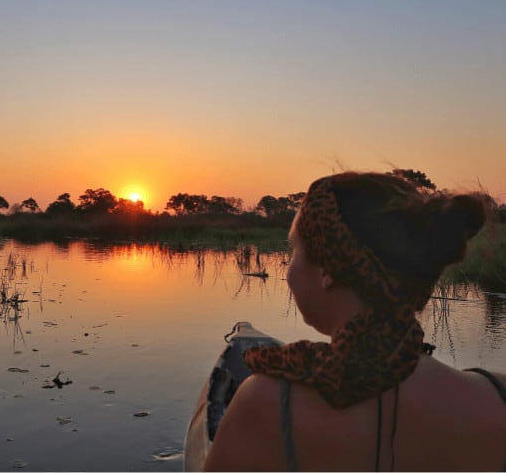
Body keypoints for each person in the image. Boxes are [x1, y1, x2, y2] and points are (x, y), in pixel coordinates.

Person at [202, 172, 506, 471]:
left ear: (328, 270)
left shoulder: (265, 402)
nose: (290, 269)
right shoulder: (498, 395)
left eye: (294, 251)